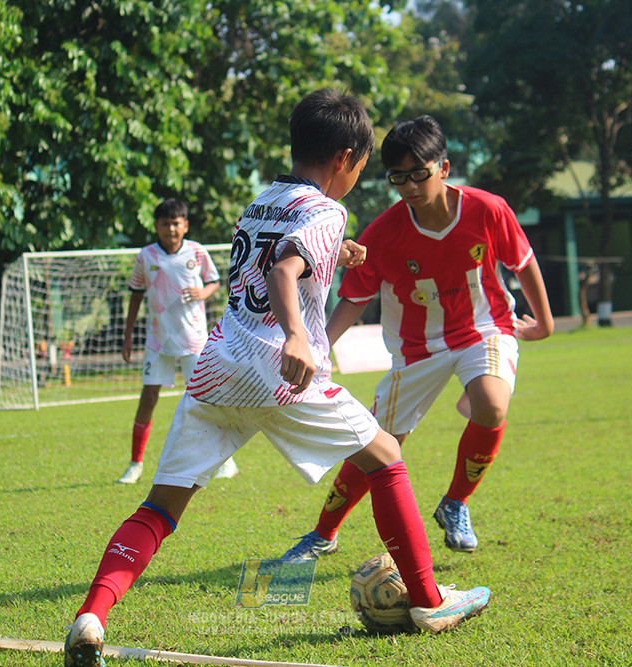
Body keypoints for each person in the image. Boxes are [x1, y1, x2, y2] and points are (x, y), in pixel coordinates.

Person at [63, 90, 491, 667]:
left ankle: (91, 617)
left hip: (218, 367)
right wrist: (295, 334)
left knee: (160, 508)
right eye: (363, 168)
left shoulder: (264, 198)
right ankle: (428, 601)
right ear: (344, 157)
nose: (358, 181)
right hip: (280, 368)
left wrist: (336, 254)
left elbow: (278, 248)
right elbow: (286, 267)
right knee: (386, 457)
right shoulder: (327, 209)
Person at [279, 115, 554, 562]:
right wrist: (318, 345)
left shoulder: (488, 209)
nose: (409, 185)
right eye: (398, 178)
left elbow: (523, 262)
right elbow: (353, 299)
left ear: (443, 168)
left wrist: (545, 322)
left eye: (419, 174)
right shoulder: (384, 233)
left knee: (492, 403)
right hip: (416, 350)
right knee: (376, 444)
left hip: (483, 328)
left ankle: (456, 503)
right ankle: (323, 533)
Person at [117, 198, 238, 483]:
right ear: (156, 226)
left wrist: (203, 293)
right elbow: (135, 293)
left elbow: (214, 281)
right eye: (164, 224)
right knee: (148, 398)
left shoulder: (196, 251)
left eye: (175, 223)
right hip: (157, 341)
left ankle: (227, 460)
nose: (170, 229)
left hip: (193, 339)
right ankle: (135, 464)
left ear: (184, 225)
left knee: (205, 399)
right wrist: (127, 335)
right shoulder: (146, 256)